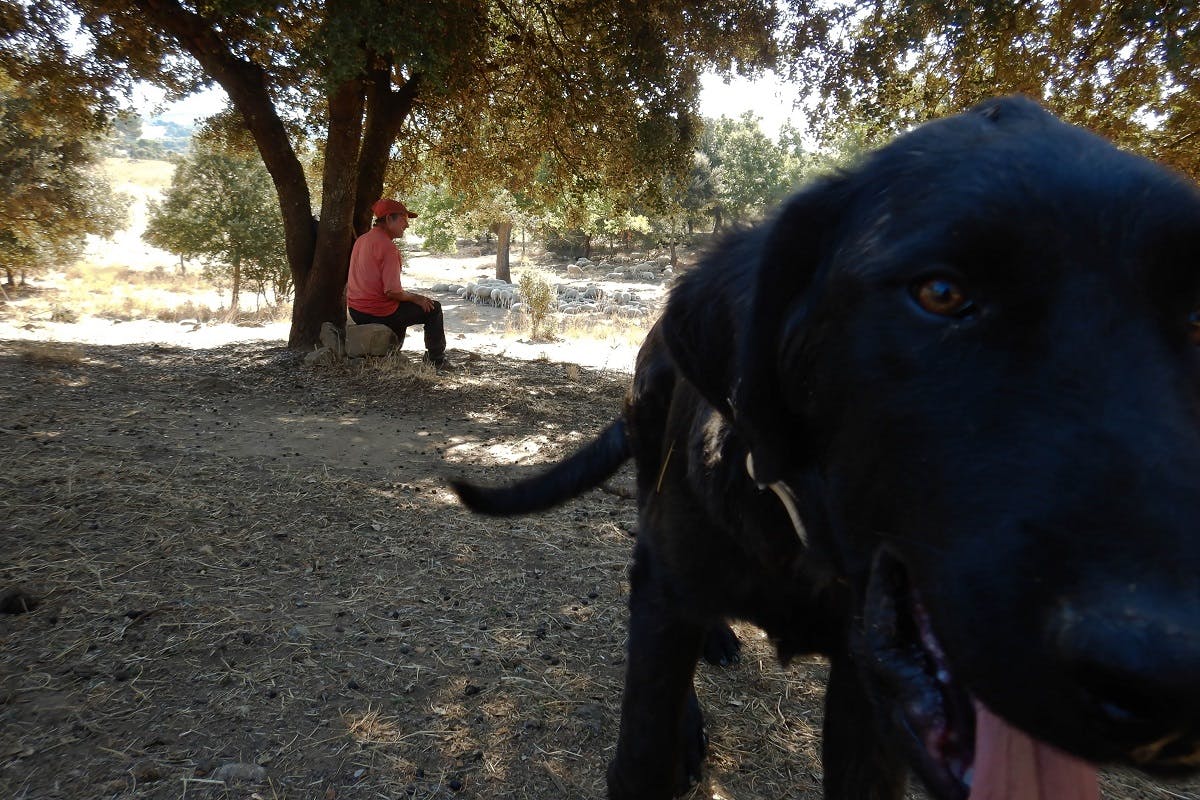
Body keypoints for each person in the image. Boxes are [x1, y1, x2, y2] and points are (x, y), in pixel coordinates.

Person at [347, 198, 451, 368]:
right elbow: (392, 291)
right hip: (377, 312)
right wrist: (417, 298)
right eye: (404, 219)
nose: (407, 225)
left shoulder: (362, 240)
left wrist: (408, 298)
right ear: (389, 219)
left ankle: (392, 354)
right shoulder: (387, 247)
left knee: (401, 307)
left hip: (356, 310)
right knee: (433, 308)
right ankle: (437, 360)